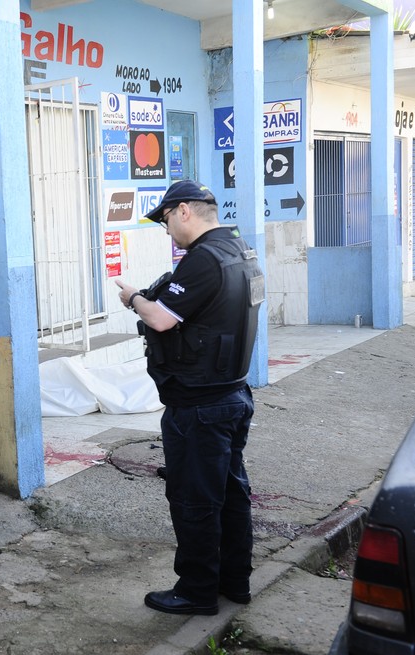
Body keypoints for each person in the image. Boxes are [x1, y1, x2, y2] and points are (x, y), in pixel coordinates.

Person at [113, 180, 264, 616]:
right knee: (231, 495)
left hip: (200, 405)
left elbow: (160, 319)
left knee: (195, 499)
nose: (166, 231)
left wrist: (134, 298)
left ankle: (197, 591)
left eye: (164, 221)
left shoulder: (203, 259)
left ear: (183, 212)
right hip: (232, 393)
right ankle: (234, 582)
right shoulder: (240, 250)